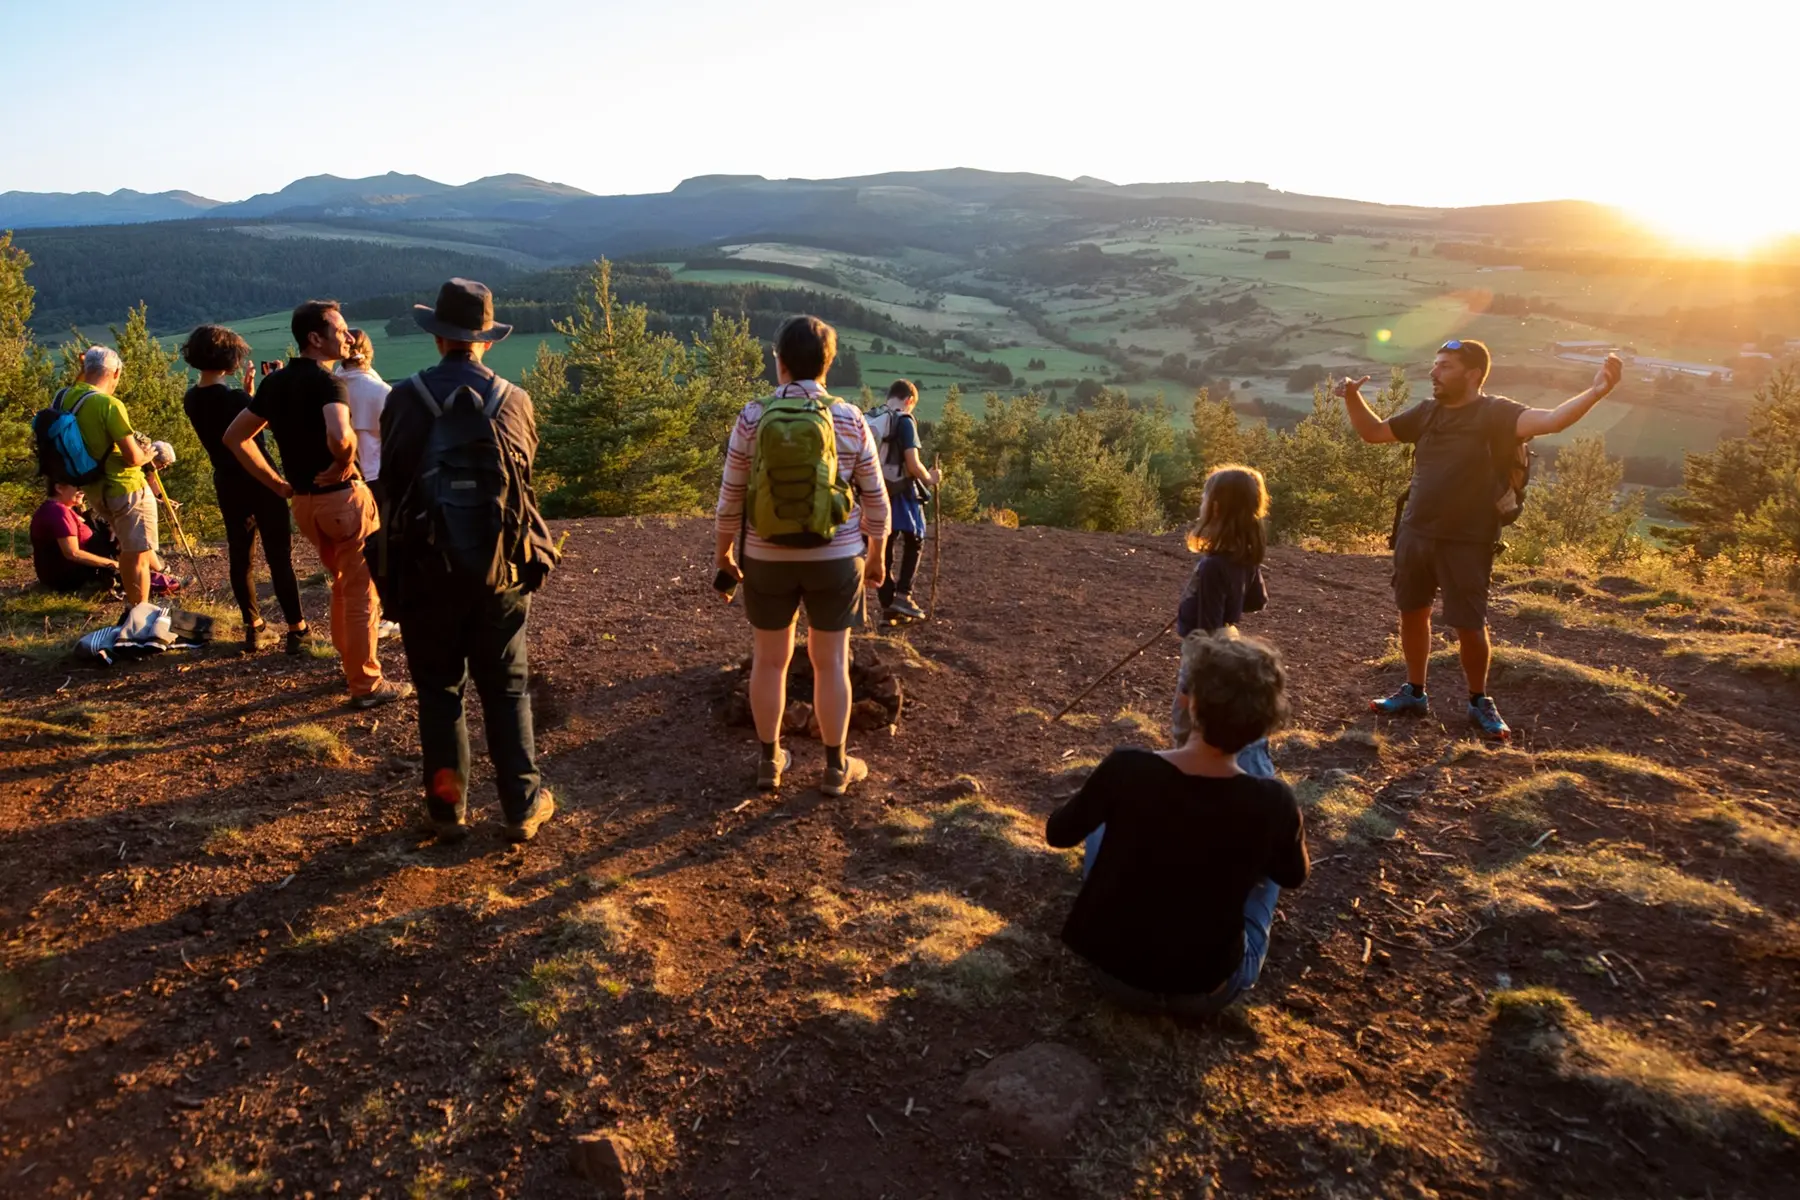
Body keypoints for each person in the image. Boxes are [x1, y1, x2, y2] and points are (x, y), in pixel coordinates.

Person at [1338, 338, 1623, 740]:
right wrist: (1352, 397)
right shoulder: (1427, 412)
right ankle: (1414, 692)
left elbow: (1552, 420)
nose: (1434, 372)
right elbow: (1373, 432)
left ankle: (1478, 700)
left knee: (1469, 625)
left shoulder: (1497, 414)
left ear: (1473, 374)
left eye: (1445, 366)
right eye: (1435, 364)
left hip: (1468, 540)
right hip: (1415, 532)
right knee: (1412, 613)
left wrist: (1595, 392)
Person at [376, 278, 561, 843]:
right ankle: (521, 809)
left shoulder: (404, 399)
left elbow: (393, 485)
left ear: (437, 337)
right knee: (506, 689)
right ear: (487, 339)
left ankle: (447, 809)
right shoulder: (516, 400)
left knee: (439, 694)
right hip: (502, 571)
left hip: (425, 572)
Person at [1046, 628, 1308, 1018]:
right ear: (1266, 724)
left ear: (1190, 702)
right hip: (1206, 989)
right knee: (1269, 870)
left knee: (1105, 816)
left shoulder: (1126, 768)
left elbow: (1058, 833)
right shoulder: (1274, 800)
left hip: (1114, 975)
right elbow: (1292, 876)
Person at [714, 315, 890, 796]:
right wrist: (876, 555)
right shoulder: (850, 418)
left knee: (769, 661)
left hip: (765, 557)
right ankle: (835, 767)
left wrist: (724, 553)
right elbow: (877, 501)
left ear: (781, 363)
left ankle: (770, 762)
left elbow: (731, 496)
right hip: (837, 557)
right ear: (828, 364)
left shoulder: (753, 416)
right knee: (830, 661)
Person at [222, 300, 407, 709]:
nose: (348, 337)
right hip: (343, 501)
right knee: (362, 592)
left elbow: (235, 438)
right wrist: (344, 461)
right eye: (339, 330)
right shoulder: (330, 383)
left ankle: (350, 666)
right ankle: (366, 685)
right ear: (315, 339)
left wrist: (276, 483)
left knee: (342, 582)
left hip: (304, 504)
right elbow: (340, 435)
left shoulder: (275, 383)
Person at [181, 325, 310, 654]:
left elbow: (229, 423)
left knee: (241, 557)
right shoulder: (234, 399)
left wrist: (251, 395)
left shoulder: (192, 398)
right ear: (229, 358)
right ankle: (297, 629)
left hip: (227, 482)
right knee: (279, 557)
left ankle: (254, 627)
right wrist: (267, 393)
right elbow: (259, 431)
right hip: (261, 480)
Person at [1172, 463, 1270, 771]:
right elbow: (1257, 601)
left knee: (1187, 723)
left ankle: (1189, 774)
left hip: (1203, 652)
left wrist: (1190, 688)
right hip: (1230, 640)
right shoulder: (1246, 557)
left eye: (1204, 497)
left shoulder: (1212, 566)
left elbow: (1207, 631)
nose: (1201, 503)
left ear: (1215, 507)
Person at [53, 346, 167, 605]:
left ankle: (135, 606)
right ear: (116, 373)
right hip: (126, 488)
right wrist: (148, 454)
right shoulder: (109, 404)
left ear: (86, 369)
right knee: (138, 554)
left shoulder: (64, 397)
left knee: (128, 549)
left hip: (94, 488)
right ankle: (140, 612)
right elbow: (133, 458)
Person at [336, 327, 400, 640]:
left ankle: (357, 610)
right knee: (384, 546)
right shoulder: (381, 391)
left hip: (339, 477)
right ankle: (389, 611)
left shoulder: (332, 387)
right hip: (376, 476)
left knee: (350, 549)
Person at [865, 380, 941, 622]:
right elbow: (912, 462)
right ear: (909, 400)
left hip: (874, 492)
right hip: (901, 493)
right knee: (914, 539)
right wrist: (930, 478)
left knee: (883, 549)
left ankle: (888, 608)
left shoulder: (872, 417)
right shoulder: (904, 420)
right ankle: (903, 596)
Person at [30, 480, 117, 593]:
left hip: (63, 574)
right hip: (68, 577)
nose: (82, 490)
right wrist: (113, 564)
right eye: (77, 486)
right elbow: (72, 553)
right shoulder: (58, 511)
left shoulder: (63, 509)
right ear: (59, 488)